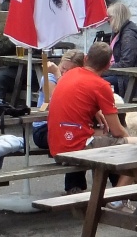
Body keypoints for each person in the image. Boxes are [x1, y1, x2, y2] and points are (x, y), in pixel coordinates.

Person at [48, 41, 137, 208]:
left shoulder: (69, 74)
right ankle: (117, 199)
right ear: (108, 66)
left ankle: (113, 194)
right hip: (76, 148)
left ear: (86, 58)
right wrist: (127, 139)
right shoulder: (101, 85)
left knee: (106, 137)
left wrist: (95, 111)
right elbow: (117, 130)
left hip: (56, 145)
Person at [28, 50, 85, 191]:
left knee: (86, 139)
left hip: (67, 126)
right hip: (44, 128)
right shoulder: (49, 77)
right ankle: (74, 188)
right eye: (62, 68)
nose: (64, 72)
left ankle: (114, 188)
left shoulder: (79, 80)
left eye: (69, 71)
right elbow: (59, 100)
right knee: (74, 141)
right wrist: (58, 74)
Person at [101, 2, 137, 97]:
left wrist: (104, 70)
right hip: (117, 73)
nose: (108, 20)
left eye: (110, 17)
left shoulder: (129, 36)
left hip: (127, 77)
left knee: (95, 83)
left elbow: (126, 64)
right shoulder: (118, 32)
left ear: (117, 17)